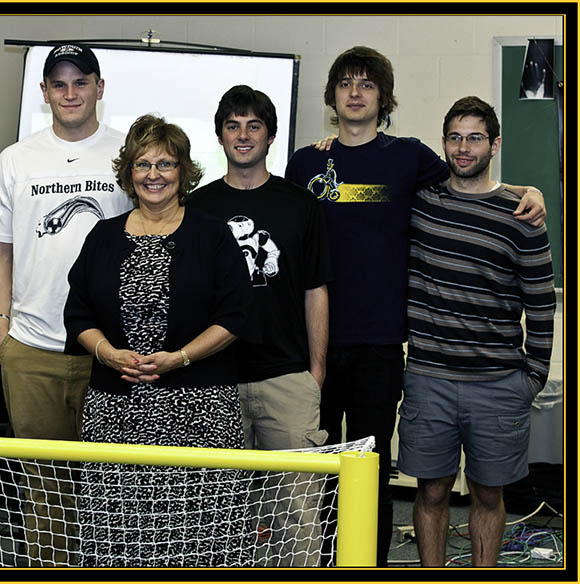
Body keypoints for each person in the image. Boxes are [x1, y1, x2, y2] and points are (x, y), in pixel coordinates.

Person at [284, 46, 547, 566]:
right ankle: (321, 564)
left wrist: (527, 187)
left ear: (384, 98)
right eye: (345, 83)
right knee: (314, 474)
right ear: (332, 96)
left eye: (366, 84)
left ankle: (370, 566)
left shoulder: (408, 158)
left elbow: (469, 179)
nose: (355, 93)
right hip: (311, 345)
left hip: (380, 349)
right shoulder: (306, 162)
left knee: (372, 471)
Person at [64, 114, 253, 566]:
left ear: (183, 172)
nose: (154, 175)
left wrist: (180, 358)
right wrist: (107, 354)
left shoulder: (211, 234)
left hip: (200, 410)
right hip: (116, 410)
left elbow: (235, 315)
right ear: (128, 173)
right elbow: (78, 314)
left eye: (165, 164)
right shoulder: (104, 236)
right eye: (142, 164)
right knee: (120, 530)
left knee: (201, 531)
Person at [0, 43, 133, 566]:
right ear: (44, 93)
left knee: (113, 488)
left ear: (100, 88)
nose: (70, 93)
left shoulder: (129, 155)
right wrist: (2, 332)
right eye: (59, 84)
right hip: (32, 352)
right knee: (45, 496)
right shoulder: (16, 159)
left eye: (81, 82)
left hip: (111, 354)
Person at [398, 96, 555, 567]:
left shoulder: (522, 214)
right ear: (443, 142)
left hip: (499, 386)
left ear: (495, 144)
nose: (463, 148)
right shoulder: (421, 202)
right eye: (454, 137)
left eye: (475, 137)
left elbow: (542, 302)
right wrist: (331, 147)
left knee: (489, 496)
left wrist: (532, 377)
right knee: (431, 493)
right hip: (429, 382)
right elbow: (365, 183)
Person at [188, 85, 332, 566]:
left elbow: (316, 290)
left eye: (254, 126)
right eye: (233, 125)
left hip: (286, 378)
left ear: (271, 136)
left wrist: (314, 373)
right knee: (217, 516)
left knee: (296, 515)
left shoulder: (300, 205)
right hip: (214, 381)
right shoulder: (197, 207)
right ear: (220, 134)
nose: (243, 136)